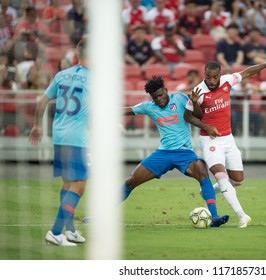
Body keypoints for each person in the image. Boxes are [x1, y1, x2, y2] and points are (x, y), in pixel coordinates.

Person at [83, 76, 229, 227]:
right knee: (132, 181)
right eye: (155, 97)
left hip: (184, 153)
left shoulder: (179, 98)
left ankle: (214, 216)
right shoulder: (148, 106)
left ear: (166, 91)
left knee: (201, 169)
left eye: (160, 95)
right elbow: (128, 111)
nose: (159, 99)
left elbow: (198, 116)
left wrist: (193, 102)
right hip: (163, 153)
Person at [184, 56, 266, 228]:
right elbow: (189, 116)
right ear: (204, 74)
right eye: (208, 77)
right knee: (222, 177)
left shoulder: (227, 81)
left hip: (228, 138)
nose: (212, 80)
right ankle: (242, 215)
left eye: (215, 77)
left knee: (237, 181)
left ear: (220, 74)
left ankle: (209, 189)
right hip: (210, 140)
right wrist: (205, 123)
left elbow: (248, 72)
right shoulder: (198, 91)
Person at [28, 38, 88, 246]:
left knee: (68, 183)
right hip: (77, 138)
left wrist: (37, 125)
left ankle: (70, 230)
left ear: (78, 54)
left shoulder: (62, 75)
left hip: (59, 135)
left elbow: (43, 100)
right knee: (79, 186)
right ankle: (55, 232)